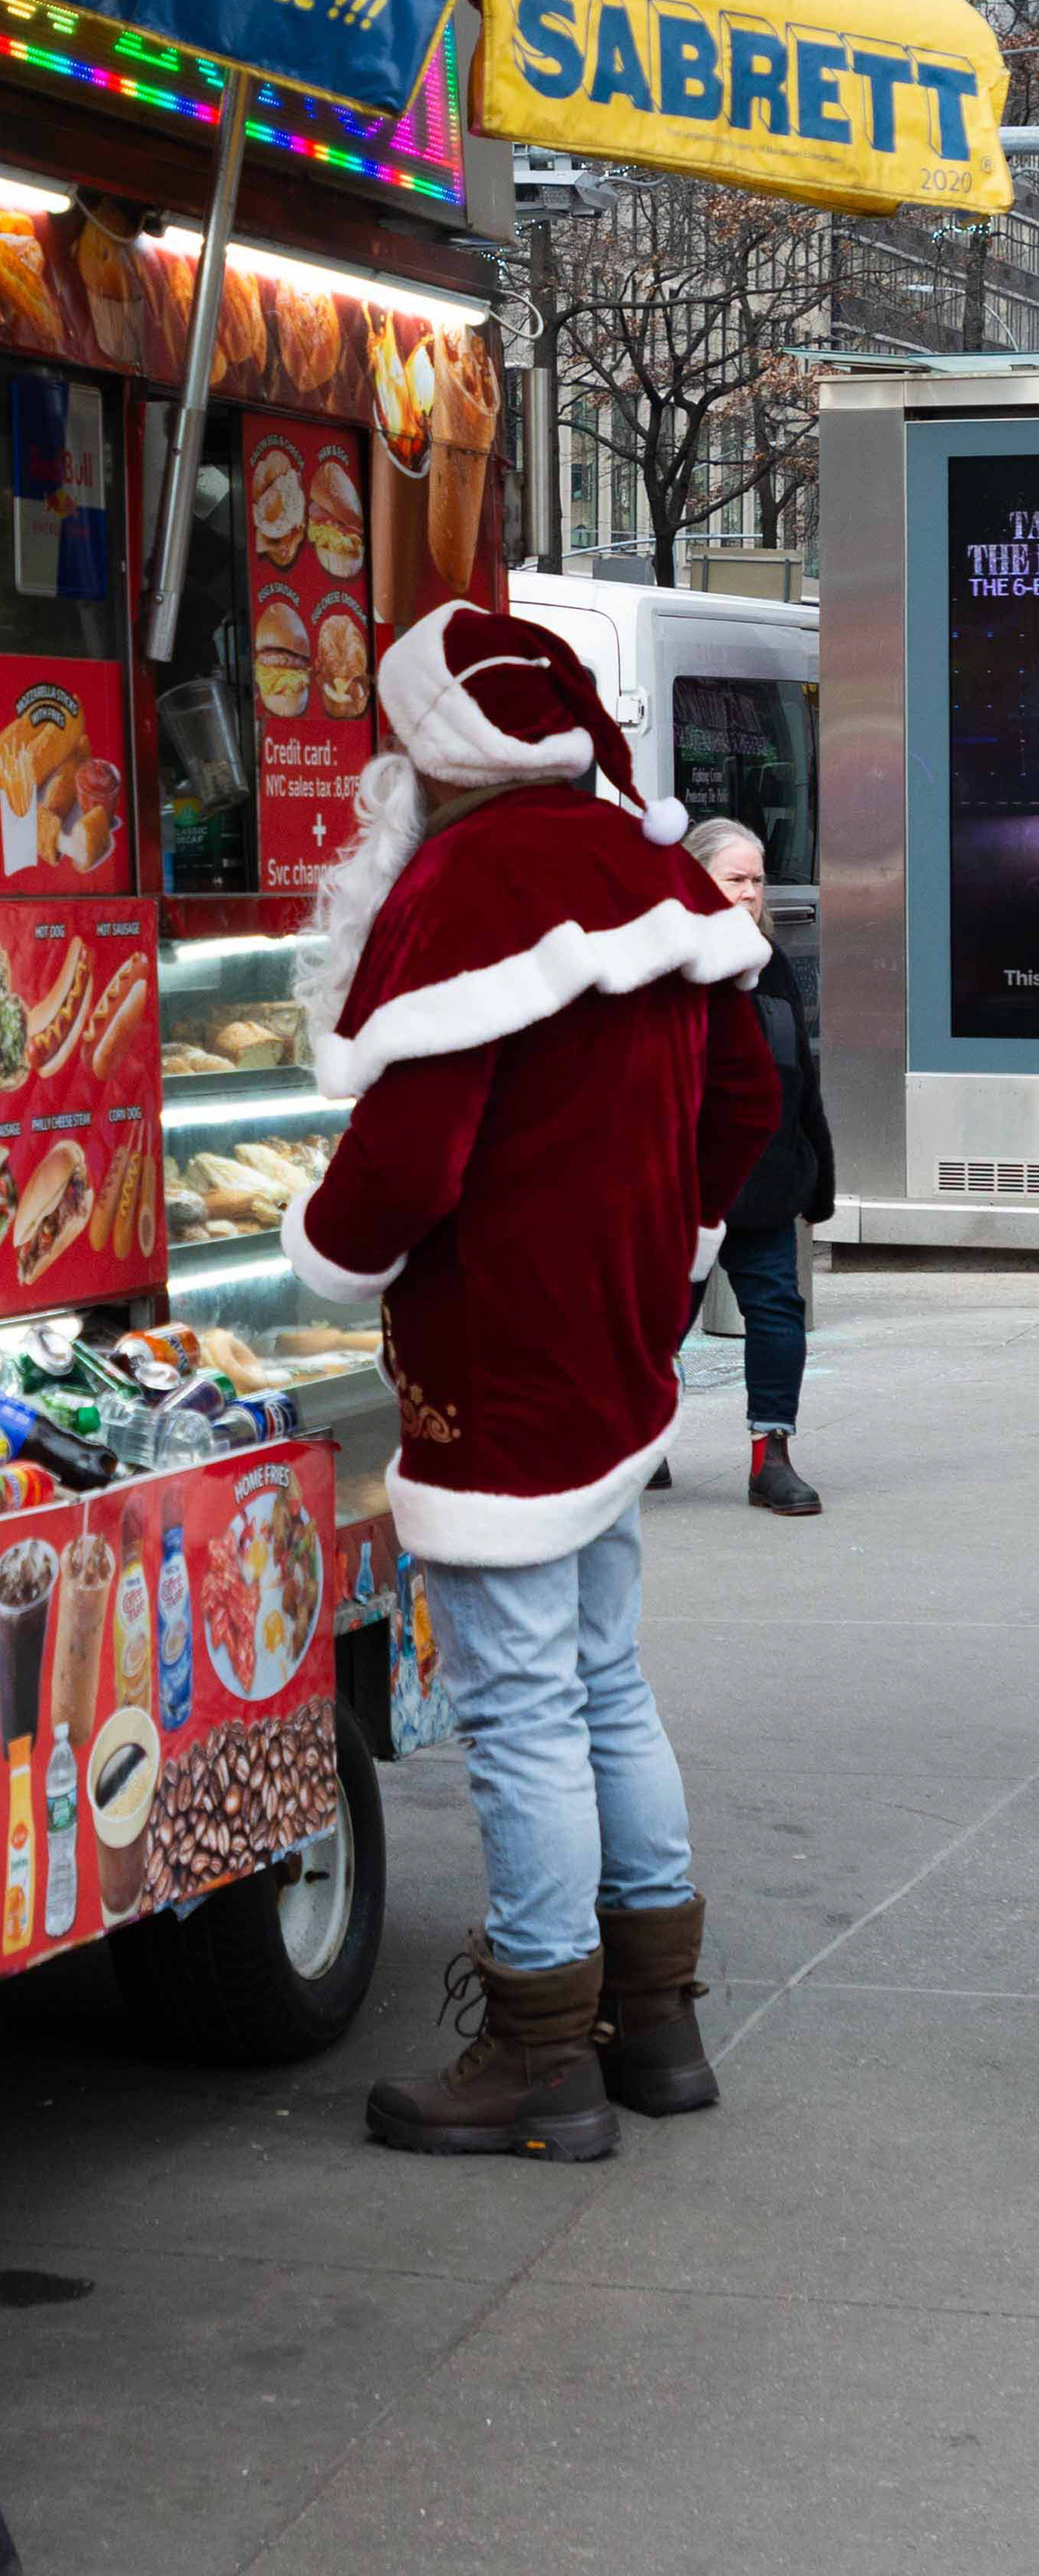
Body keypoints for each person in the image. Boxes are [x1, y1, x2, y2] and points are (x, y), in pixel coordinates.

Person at [278, 605, 777, 2163]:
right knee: (607, 1676)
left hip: (502, 1357)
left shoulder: (468, 883)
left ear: (440, 745)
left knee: (516, 1699)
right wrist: (674, 1245)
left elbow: (410, 1157)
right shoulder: (646, 863)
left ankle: (542, 2047)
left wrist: (326, 1254)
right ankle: (662, 2020)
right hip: (621, 1344)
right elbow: (746, 1095)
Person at [663, 816, 835, 1516]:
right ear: (696, 879)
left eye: (757, 880)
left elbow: (801, 1077)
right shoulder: (665, 967)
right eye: (734, 878)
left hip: (763, 1181)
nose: (750, 893)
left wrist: (817, 1172)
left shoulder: (773, 964)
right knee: (652, 1325)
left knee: (776, 1312)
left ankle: (773, 1455)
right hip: (680, 1189)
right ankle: (636, 1447)